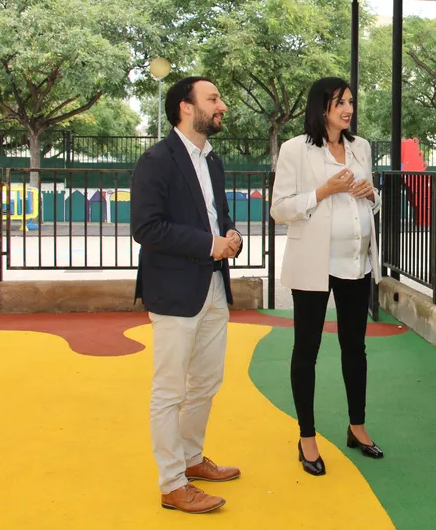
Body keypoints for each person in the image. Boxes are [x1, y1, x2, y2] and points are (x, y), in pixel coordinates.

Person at [131, 76, 244, 514]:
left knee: (207, 382)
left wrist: (231, 236)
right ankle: (171, 483)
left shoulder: (212, 161)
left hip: (214, 285)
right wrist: (208, 243)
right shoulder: (156, 161)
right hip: (175, 291)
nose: (222, 106)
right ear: (185, 107)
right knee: (169, 390)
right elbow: (147, 227)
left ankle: (192, 459)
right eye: (213, 98)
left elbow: (220, 217)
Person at [271, 76, 384, 477]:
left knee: (355, 348)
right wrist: (323, 191)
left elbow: (373, 198)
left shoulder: (361, 147)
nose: (347, 109)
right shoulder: (295, 150)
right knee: (307, 349)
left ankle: (357, 427)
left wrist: (372, 194)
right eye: (339, 102)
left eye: (350, 101)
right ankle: (307, 437)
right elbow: (279, 208)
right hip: (314, 264)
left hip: (356, 262)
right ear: (321, 107)